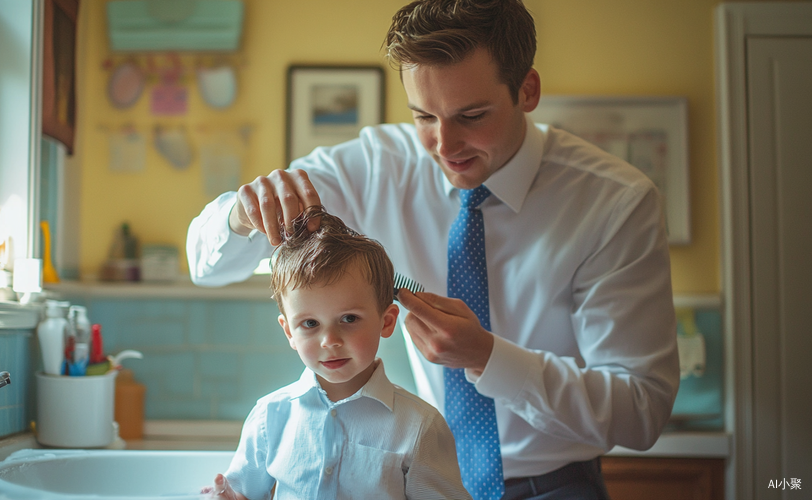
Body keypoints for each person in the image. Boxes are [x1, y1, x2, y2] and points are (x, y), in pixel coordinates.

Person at [188, 0, 680, 498]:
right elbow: (205, 267)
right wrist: (239, 214)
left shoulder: (616, 203)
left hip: (556, 486)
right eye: (424, 115)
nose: (445, 145)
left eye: (472, 116)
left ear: (527, 90)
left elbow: (642, 412)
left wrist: (488, 356)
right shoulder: (377, 166)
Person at [201, 206, 472, 500]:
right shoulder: (269, 417)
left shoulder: (420, 427)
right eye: (310, 323)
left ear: (387, 321)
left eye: (349, 319)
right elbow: (241, 494)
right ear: (290, 332)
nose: (329, 340)